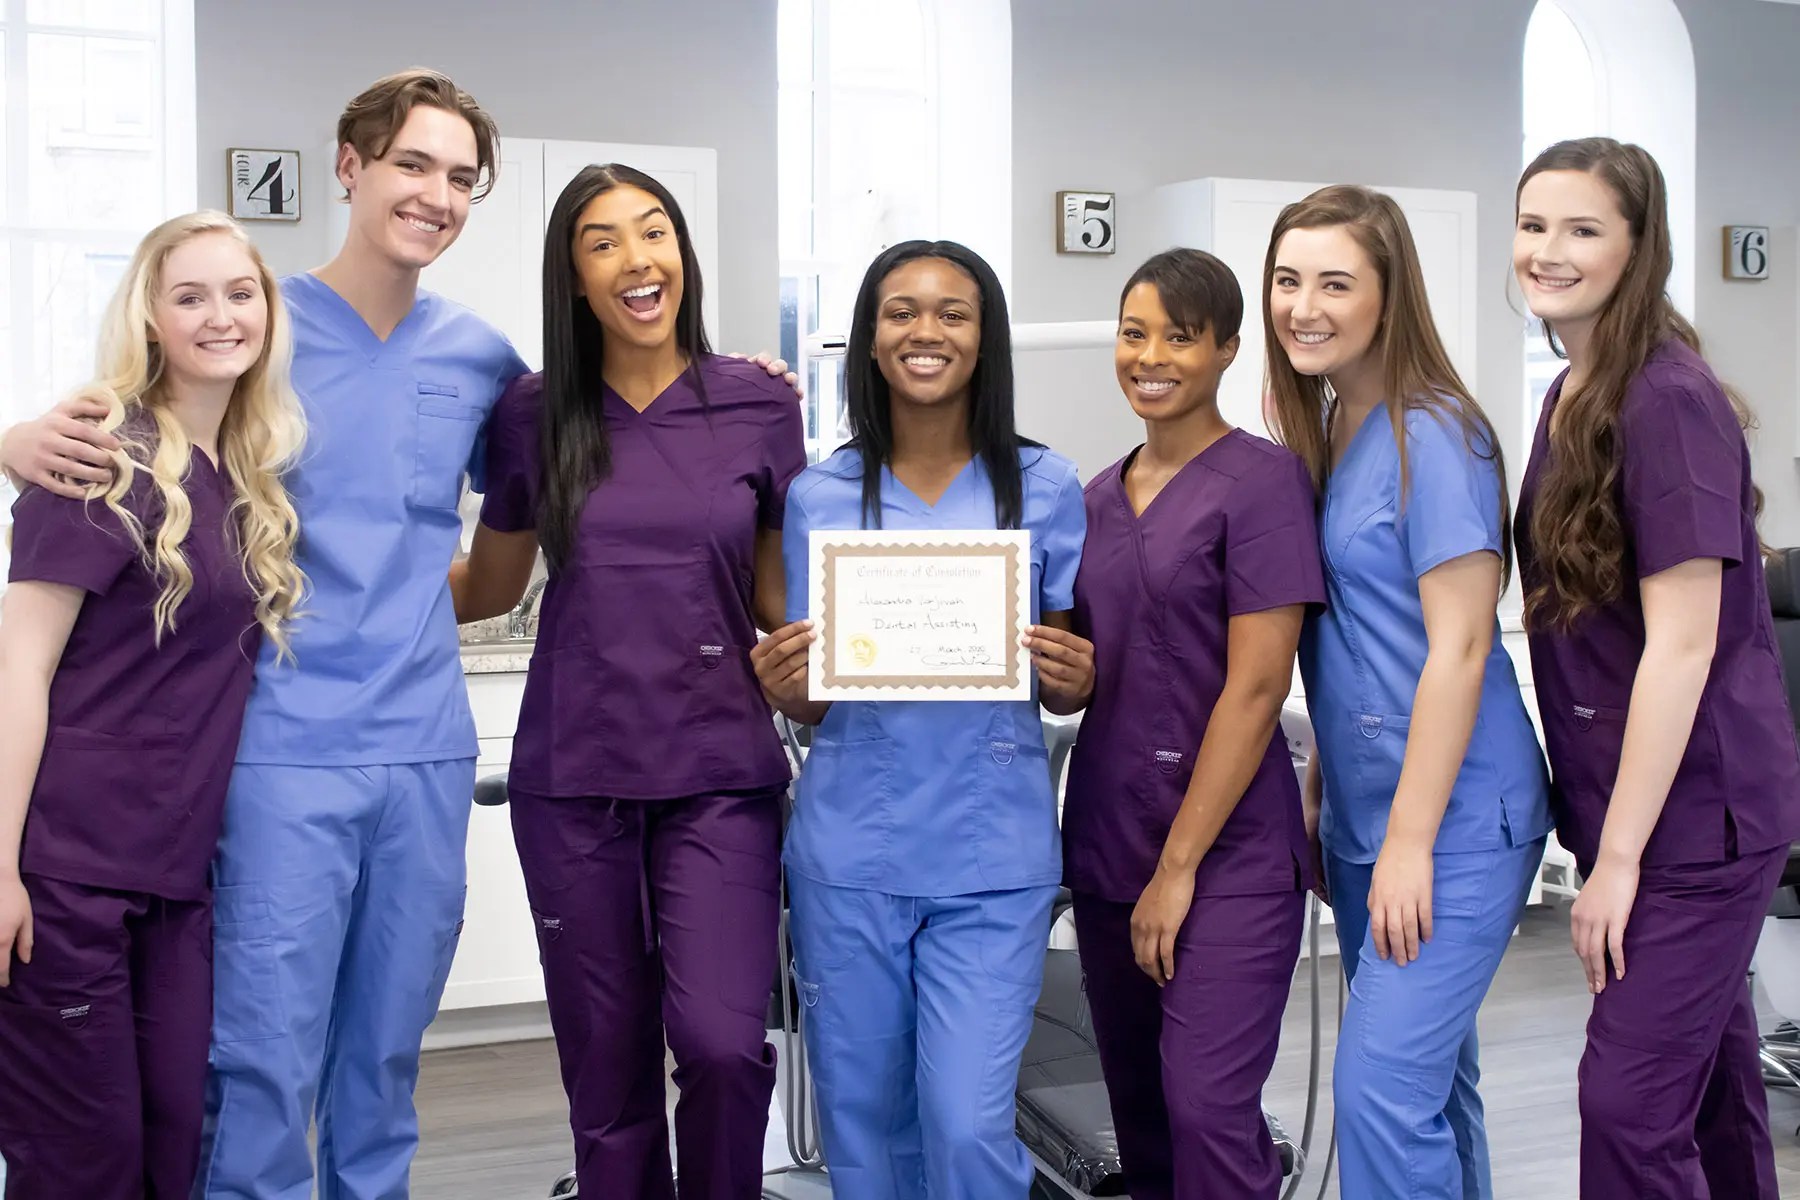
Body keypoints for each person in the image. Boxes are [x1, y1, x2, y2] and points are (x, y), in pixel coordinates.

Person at [449, 163, 805, 1200]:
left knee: (728, 1047)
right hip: (575, 778)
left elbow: (780, 604)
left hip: (719, 778)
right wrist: (329, 588)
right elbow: (492, 583)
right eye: (603, 241)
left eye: (654, 232)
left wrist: (908, 635)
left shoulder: (757, 404)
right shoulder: (531, 414)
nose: (637, 259)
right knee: (606, 1076)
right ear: (574, 276)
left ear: (684, 253)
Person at [751, 239, 1090, 1199]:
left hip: (992, 860)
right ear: (868, 338)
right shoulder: (819, 495)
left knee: (967, 1121)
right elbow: (819, 698)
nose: (925, 331)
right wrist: (786, 684)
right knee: (864, 1123)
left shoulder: (1046, 487)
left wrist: (1076, 673)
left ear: (986, 341)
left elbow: (1059, 679)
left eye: (953, 312)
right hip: (851, 855)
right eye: (901, 311)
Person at [1513, 136, 1800, 1200]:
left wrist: (1620, 860)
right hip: (1640, 810)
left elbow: (1683, 641)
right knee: (1715, 1091)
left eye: (1583, 229)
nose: (1549, 250)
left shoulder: (1667, 399)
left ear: (1639, 247)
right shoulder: (1574, 388)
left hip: (1698, 824)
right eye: (1535, 223)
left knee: (1626, 1107)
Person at [0, 211, 305, 1198]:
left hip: (174, 886)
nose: (221, 315)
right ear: (151, 320)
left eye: (240, 291)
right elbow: (18, 666)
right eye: (190, 296)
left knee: (172, 1155)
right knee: (83, 1169)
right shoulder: (97, 457)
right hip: (64, 880)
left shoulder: (238, 477)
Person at [1265, 184, 1554, 1199]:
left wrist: (1410, 842)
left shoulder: (1437, 434)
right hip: (1361, 807)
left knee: (1381, 1090)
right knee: (1435, 1083)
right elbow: (1346, 632)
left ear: (1390, 297)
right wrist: (1323, 776)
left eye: (1336, 283)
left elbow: (1461, 648)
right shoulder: (1331, 424)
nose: (1304, 305)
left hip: (1456, 820)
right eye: (1288, 280)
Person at [1059, 248, 1323, 1200]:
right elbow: (1079, 680)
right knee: (1142, 1115)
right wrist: (1054, 668)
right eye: (1135, 334)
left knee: (1208, 1107)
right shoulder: (1090, 499)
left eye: (1179, 335)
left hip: (1230, 854)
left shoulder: (1262, 484)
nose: (1152, 356)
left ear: (1226, 351)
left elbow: (1257, 690)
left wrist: (1177, 871)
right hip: (1107, 838)